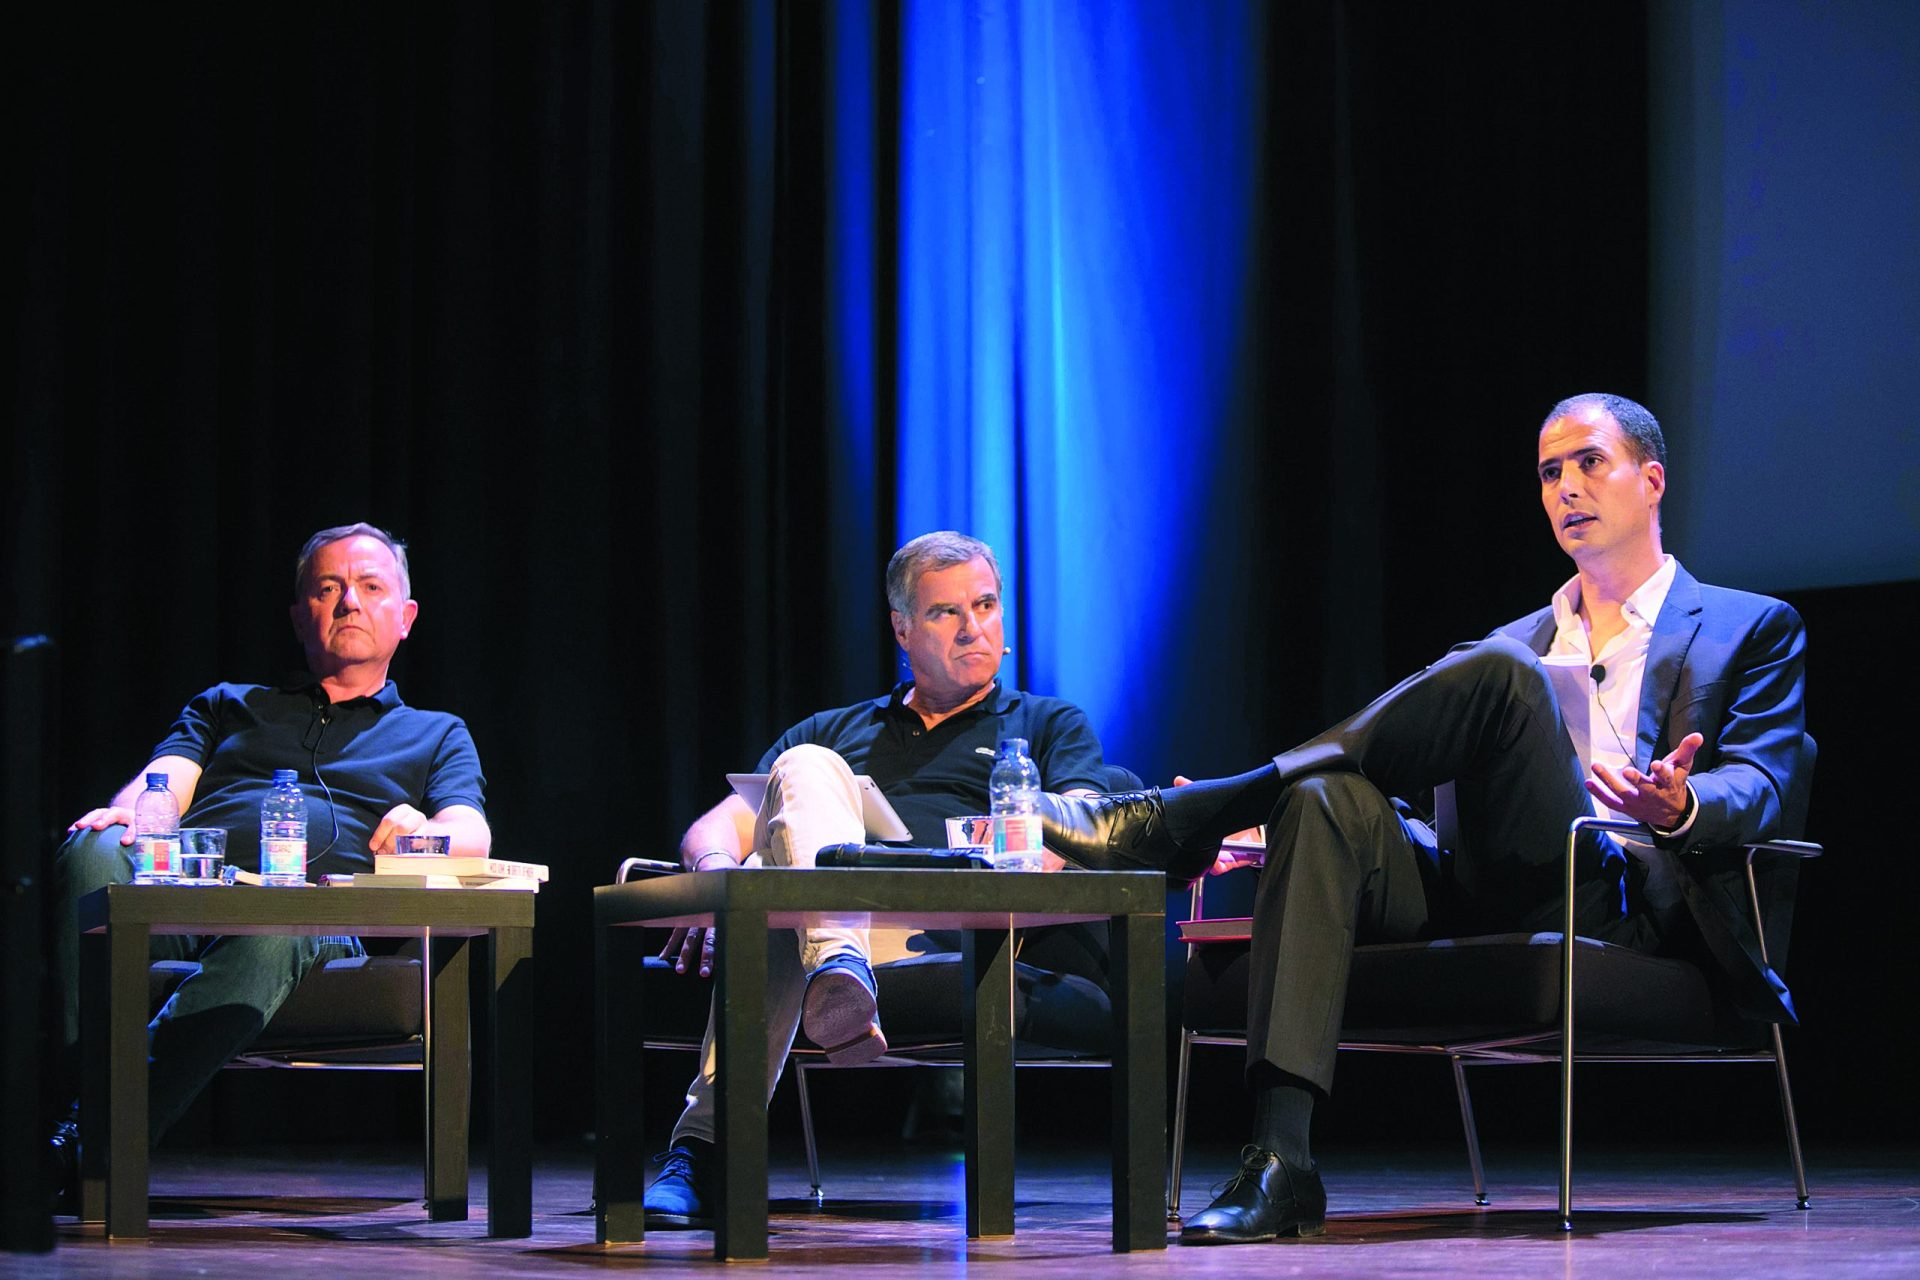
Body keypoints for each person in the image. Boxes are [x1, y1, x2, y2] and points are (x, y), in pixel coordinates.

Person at [1036, 393, 1808, 1244]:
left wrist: (1682, 803)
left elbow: (1762, 783)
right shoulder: (1522, 634)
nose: (1567, 488)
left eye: (1591, 462)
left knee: (1500, 674)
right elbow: (1422, 802)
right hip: (1488, 877)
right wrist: (1270, 836)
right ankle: (1281, 1162)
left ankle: (1193, 812)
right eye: (1551, 472)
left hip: (1625, 899)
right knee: (1325, 798)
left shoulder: (1750, 626)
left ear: (1651, 479)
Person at [643, 530, 1114, 1229]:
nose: (972, 628)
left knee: (780, 900)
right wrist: (718, 886)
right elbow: (712, 832)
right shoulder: (836, 731)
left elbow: (1075, 836)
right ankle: (836, 960)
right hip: (823, 934)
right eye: (944, 613)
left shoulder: (1043, 725)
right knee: (798, 780)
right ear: (902, 628)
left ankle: (702, 1150)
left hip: (954, 937)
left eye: (984, 606)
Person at [48, 523, 490, 1197]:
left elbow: (472, 836)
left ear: (406, 618)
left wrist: (420, 828)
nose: (349, 602)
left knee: (279, 926)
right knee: (91, 850)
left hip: (315, 916)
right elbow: (161, 783)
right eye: (328, 587)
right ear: (299, 615)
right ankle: (69, 1119)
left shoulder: (436, 733)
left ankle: (85, 1142)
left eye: (371, 588)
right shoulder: (229, 705)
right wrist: (126, 811)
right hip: (188, 891)